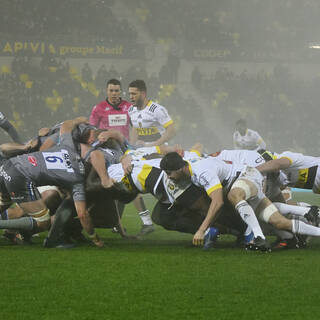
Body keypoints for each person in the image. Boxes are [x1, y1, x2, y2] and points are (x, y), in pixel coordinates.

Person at [159, 152, 320, 251]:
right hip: (244, 180)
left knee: (233, 195)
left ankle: (258, 237)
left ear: (180, 168)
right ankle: (306, 216)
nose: (169, 177)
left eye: (169, 173)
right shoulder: (193, 168)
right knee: (279, 222)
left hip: (246, 175)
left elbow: (218, 202)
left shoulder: (201, 172)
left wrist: (201, 230)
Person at [0, 117, 104, 248]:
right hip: (20, 177)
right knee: (43, 221)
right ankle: (8, 228)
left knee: (4, 203)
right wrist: (95, 239)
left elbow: (66, 125)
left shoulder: (68, 147)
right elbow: (82, 214)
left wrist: (78, 120)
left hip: (9, 165)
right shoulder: (77, 180)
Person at [128, 79, 176, 147]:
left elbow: (172, 130)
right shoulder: (131, 110)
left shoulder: (157, 109)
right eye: (129, 94)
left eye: (134, 94)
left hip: (159, 150)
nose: (131, 97)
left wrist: (153, 145)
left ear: (143, 94)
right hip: (141, 150)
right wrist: (131, 146)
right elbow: (135, 128)